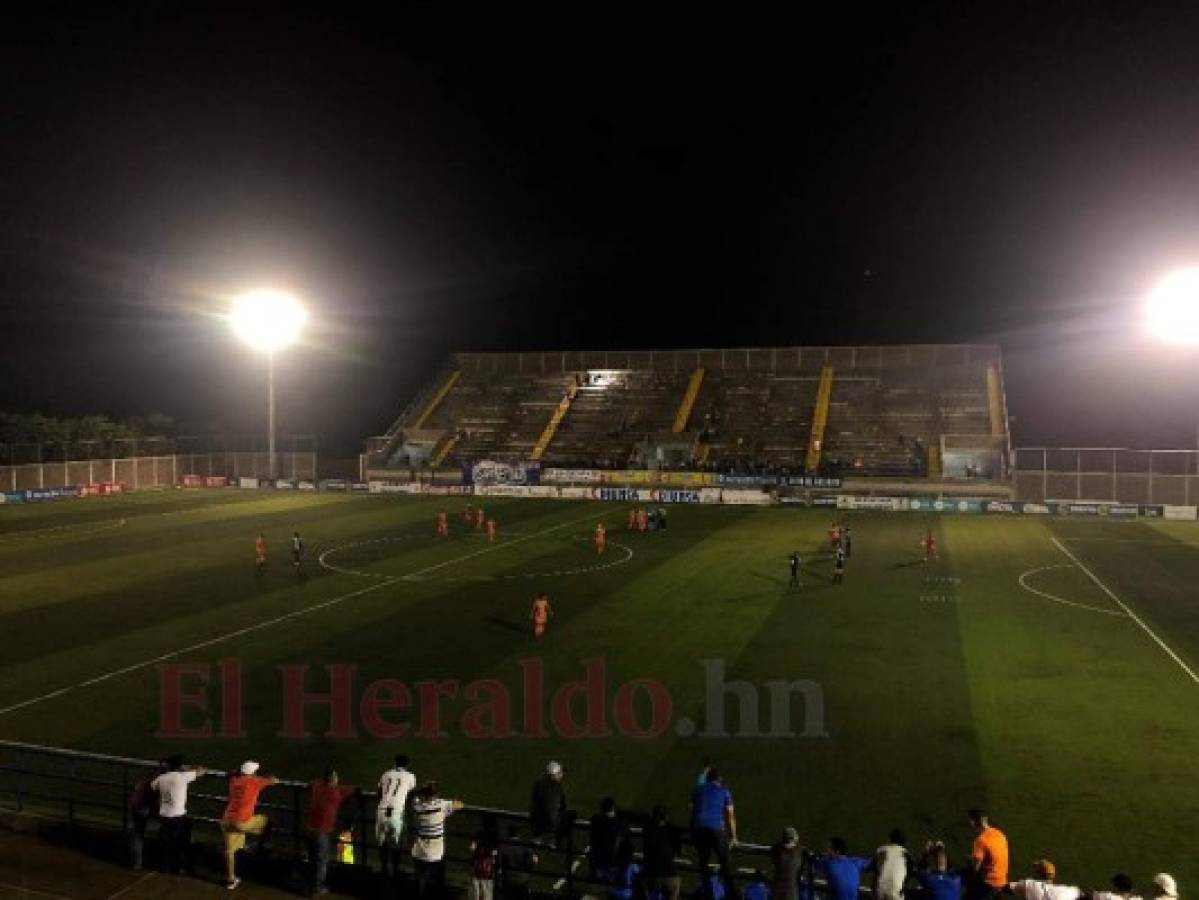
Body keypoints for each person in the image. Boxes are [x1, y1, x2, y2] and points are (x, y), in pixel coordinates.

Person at [221, 761, 280, 890]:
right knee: (268, 821)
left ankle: (230, 880)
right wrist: (268, 778)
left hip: (226, 820)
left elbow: (232, 773)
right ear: (252, 773)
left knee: (229, 850)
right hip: (241, 822)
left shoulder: (234, 779)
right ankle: (262, 848)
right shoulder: (255, 781)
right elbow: (274, 780)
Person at [150, 754, 208, 877]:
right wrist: (188, 768)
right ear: (180, 766)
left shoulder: (161, 778)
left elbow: (153, 786)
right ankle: (176, 868)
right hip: (178, 816)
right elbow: (202, 770)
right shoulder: (183, 776)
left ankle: (164, 866)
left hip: (164, 816)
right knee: (179, 843)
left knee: (165, 842)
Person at [306, 769, 358, 895]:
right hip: (321, 831)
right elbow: (354, 789)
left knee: (313, 858)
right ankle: (317, 888)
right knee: (322, 860)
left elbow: (311, 783)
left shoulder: (317, 786)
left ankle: (310, 885)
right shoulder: (336, 791)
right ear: (334, 780)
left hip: (309, 828)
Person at [411, 781, 465, 899]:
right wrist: (449, 810)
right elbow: (460, 805)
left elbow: (415, 798)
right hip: (435, 854)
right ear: (436, 794)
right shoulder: (442, 804)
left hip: (418, 851)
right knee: (434, 881)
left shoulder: (417, 805)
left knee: (420, 879)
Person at [690, 769, 737, 900]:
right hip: (715, 830)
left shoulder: (698, 789)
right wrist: (733, 837)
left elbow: (692, 809)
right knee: (725, 861)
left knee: (703, 861)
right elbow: (730, 816)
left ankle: (706, 891)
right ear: (719, 780)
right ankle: (731, 893)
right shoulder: (724, 792)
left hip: (698, 829)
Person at [377, 754, 417, 879]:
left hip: (382, 810)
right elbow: (411, 793)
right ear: (408, 765)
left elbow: (379, 791)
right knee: (397, 843)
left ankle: (384, 869)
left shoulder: (386, 774)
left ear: (395, 763)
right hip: (397, 812)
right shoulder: (411, 776)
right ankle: (395, 871)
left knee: (382, 842)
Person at [128, 761, 165, 870]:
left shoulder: (145, 779)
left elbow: (136, 790)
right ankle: (160, 858)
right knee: (169, 824)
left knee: (137, 835)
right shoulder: (159, 781)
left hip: (137, 806)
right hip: (143, 807)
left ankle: (136, 863)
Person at [640, 804, 682, 900]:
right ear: (666, 817)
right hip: (670, 875)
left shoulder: (648, 828)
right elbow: (678, 852)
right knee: (673, 889)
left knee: (640, 884)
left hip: (651, 875)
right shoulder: (674, 830)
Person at [968, 809, 1008, 900]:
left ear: (973, 822)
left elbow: (975, 868)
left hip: (989, 884)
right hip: (1002, 881)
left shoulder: (980, 840)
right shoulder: (1000, 834)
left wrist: (971, 860)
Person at [589, 797, 627, 883]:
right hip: (611, 861)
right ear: (613, 809)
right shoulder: (619, 823)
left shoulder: (595, 820)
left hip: (596, 860)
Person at [529, 760, 567, 846]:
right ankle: (553, 840)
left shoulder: (538, 784)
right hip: (547, 819)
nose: (561, 775)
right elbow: (556, 807)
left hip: (537, 818)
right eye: (558, 773)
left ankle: (538, 837)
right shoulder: (557, 788)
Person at [499, 824, 539, 898]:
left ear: (508, 833)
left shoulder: (503, 846)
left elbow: (499, 863)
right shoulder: (525, 846)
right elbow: (533, 861)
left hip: (508, 881)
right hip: (522, 881)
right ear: (518, 834)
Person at [1009, 859, 1080, 900]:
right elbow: (1079, 892)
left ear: (1038, 874)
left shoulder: (1028, 885)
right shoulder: (1065, 891)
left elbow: (1006, 887)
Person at [874, 829, 913, 900]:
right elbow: (910, 874)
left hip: (880, 892)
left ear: (890, 839)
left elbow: (876, 870)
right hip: (896, 894)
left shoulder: (880, 850)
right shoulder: (906, 854)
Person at [470, 816, 501, 900]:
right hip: (488, 870)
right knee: (487, 894)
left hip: (477, 868)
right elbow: (496, 853)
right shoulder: (495, 836)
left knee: (476, 894)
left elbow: (472, 848)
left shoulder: (478, 834)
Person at [771, 827, 803, 900]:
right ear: (793, 840)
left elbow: (776, 846)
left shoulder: (777, 850)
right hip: (791, 892)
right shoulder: (799, 852)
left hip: (776, 890)